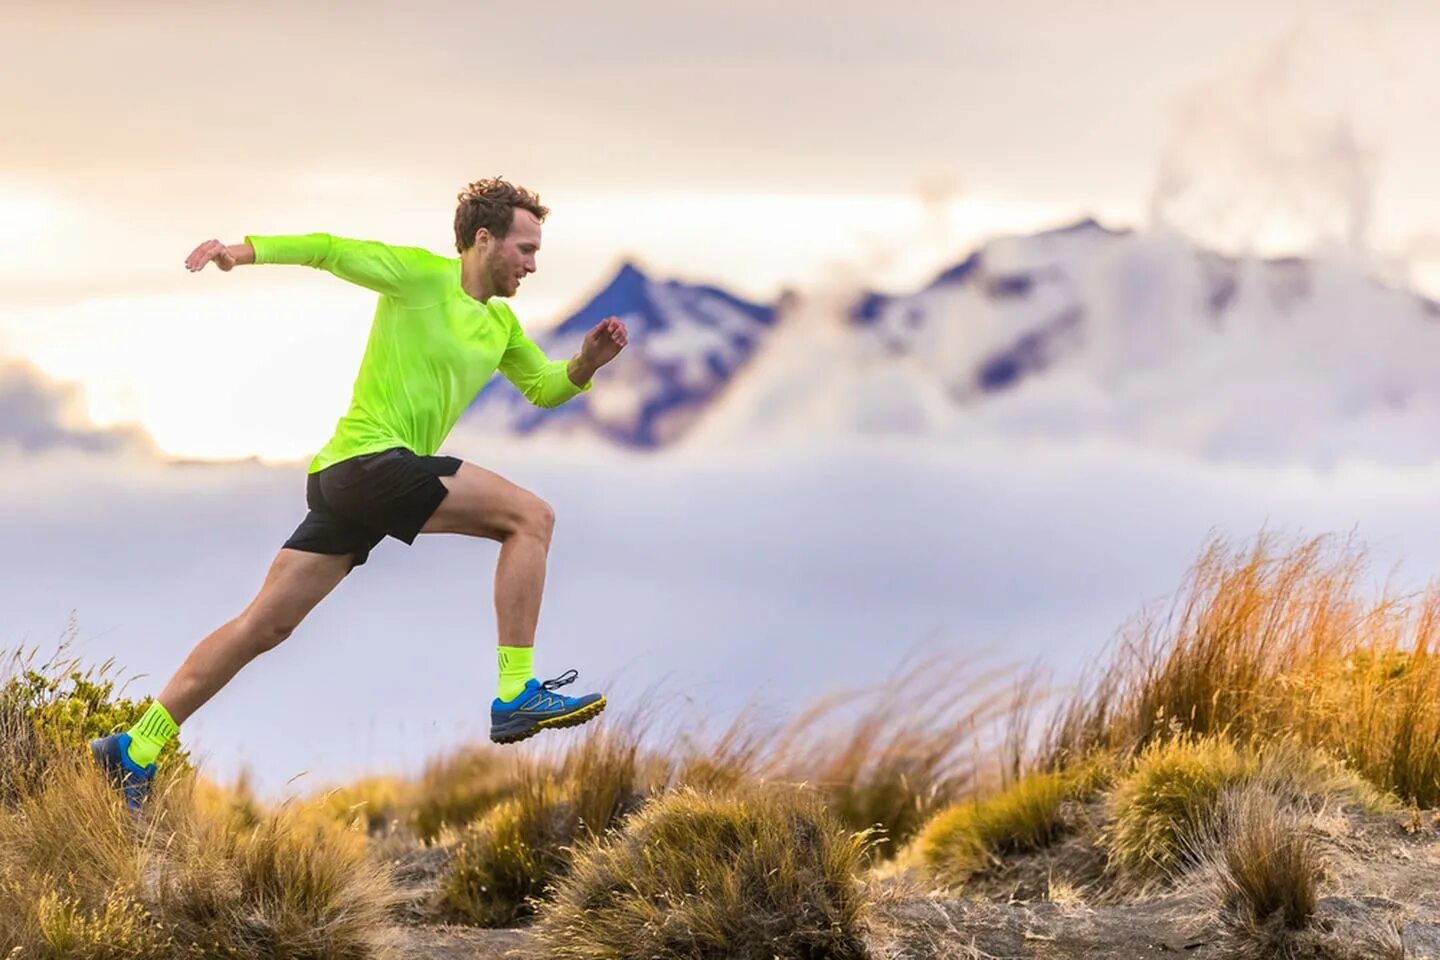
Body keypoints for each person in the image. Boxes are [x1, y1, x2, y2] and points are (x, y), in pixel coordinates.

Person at [90, 178, 628, 808]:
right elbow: (329, 249)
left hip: (348, 482)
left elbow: (542, 386)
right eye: (525, 249)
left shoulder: (500, 324)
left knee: (263, 628)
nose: (533, 265)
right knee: (531, 518)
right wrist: (242, 251)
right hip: (370, 464)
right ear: (483, 240)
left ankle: (135, 748)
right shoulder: (420, 276)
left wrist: (587, 362)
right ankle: (516, 692)